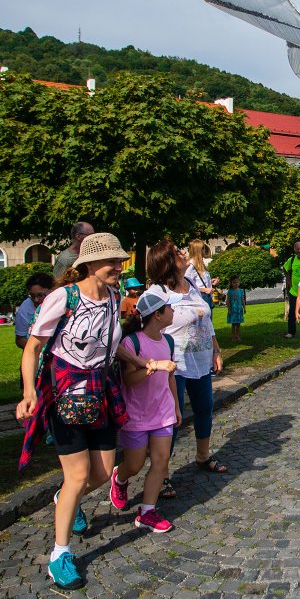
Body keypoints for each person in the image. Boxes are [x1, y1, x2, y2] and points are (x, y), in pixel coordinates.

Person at [16, 232, 129, 591]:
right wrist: (29, 391)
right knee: (78, 476)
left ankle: (64, 497)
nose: (119, 266)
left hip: (102, 392)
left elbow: (113, 347)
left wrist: (146, 360)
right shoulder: (62, 297)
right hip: (66, 394)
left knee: (102, 472)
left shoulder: (115, 297)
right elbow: (32, 347)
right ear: (90, 265)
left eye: (120, 259)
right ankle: (59, 555)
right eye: (112, 261)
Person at [148, 239, 227, 489]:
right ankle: (160, 475)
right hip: (174, 364)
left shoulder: (191, 282)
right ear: (168, 262)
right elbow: (147, 329)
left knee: (205, 408)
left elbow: (207, 319)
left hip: (201, 359)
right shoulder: (157, 293)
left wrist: (216, 349)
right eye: (177, 252)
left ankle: (203, 456)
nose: (183, 253)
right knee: (172, 418)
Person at [110, 285, 182, 534]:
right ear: (158, 315)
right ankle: (120, 478)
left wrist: (175, 405)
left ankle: (147, 511)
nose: (173, 310)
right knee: (135, 464)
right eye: (170, 307)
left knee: (161, 461)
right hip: (137, 414)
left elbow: (170, 378)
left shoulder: (168, 340)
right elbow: (129, 380)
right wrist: (154, 366)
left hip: (162, 411)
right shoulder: (132, 343)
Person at [15, 272, 53, 351]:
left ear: (51, 291)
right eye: (32, 295)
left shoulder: (61, 302)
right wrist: (38, 349)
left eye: (40, 295)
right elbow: (20, 339)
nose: (36, 299)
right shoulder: (24, 310)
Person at [282, 242, 300, 339]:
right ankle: (291, 332)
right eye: (297, 249)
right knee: (292, 312)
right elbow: (285, 268)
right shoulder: (292, 259)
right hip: (294, 291)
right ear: (295, 250)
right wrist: (288, 278)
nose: (299, 251)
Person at [185, 239, 216, 309]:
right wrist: (205, 290)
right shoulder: (191, 265)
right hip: (199, 299)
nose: (204, 250)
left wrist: (211, 282)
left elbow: (198, 281)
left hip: (206, 298)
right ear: (198, 250)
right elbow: (187, 286)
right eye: (203, 248)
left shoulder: (201, 263)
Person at [225, 275, 246, 341]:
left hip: (239, 310)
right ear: (231, 283)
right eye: (234, 282)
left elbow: (242, 300)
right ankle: (233, 337)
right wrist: (229, 309)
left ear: (239, 283)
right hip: (233, 310)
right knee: (233, 324)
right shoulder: (230, 291)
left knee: (238, 324)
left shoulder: (241, 291)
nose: (236, 284)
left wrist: (244, 308)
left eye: (237, 282)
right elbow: (228, 301)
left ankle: (238, 336)